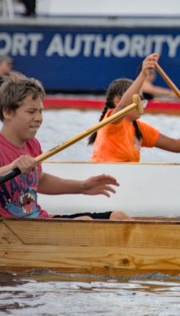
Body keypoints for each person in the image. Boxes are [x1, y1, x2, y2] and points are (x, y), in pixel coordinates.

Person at [0, 75, 129, 219]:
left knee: (118, 216)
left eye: (40, 111)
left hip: (39, 221)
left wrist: (83, 186)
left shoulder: (33, 145)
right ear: (7, 112)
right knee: (86, 223)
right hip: (15, 230)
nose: (39, 118)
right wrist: (11, 167)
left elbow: (40, 181)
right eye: (31, 112)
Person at [88, 53, 180, 162]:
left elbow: (175, 145)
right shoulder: (111, 122)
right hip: (101, 180)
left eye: (142, 100)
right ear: (117, 101)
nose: (142, 105)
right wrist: (143, 74)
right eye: (137, 99)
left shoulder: (139, 128)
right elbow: (123, 107)